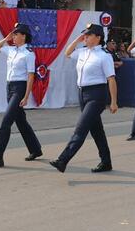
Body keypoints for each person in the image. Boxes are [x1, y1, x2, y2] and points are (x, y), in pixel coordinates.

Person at [49, 23, 117, 173]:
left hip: (97, 95)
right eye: (84, 35)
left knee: (81, 128)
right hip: (82, 93)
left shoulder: (104, 56)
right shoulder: (83, 52)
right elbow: (67, 53)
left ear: (98, 37)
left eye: (89, 35)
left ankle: (63, 160)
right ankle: (106, 162)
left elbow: (111, 79)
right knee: (96, 130)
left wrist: (113, 102)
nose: (85, 37)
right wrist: (77, 40)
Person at [0, 23, 43, 169]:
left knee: (6, 122)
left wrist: (26, 96)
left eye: (16, 34)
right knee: (21, 122)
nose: (13, 36)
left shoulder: (29, 53)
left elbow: (31, 76)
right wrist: (6, 38)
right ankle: (35, 149)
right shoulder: (11, 50)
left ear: (23, 36)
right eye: (13, 33)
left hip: (20, 88)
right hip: (9, 87)